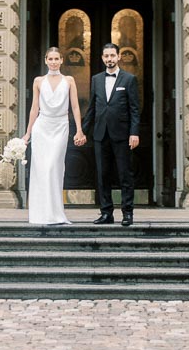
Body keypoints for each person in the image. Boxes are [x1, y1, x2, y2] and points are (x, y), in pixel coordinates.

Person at [23, 46, 85, 226]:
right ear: (45, 61)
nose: (53, 62)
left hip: (60, 126)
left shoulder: (69, 80)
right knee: (41, 170)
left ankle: (56, 213)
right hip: (42, 127)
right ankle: (41, 214)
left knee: (54, 168)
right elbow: (34, 108)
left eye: (56, 59)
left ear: (61, 60)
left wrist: (79, 130)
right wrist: (28, 133)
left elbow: (75, 107)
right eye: (50, 59)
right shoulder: (38, 81)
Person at [81, 41, 141, 227]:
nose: (109, 59)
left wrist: (134, 133)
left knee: (125, 175)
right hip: (100, 134)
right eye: (106, 56)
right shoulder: (96, 79)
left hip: (122, 135)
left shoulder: (129, 79)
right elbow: (91, 108)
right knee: (103, 175)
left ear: (118, 57)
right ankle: (106, 213)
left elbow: (134, 109)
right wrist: (82, 130)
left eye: (112, 56)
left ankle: (127, 213)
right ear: (102, 58)